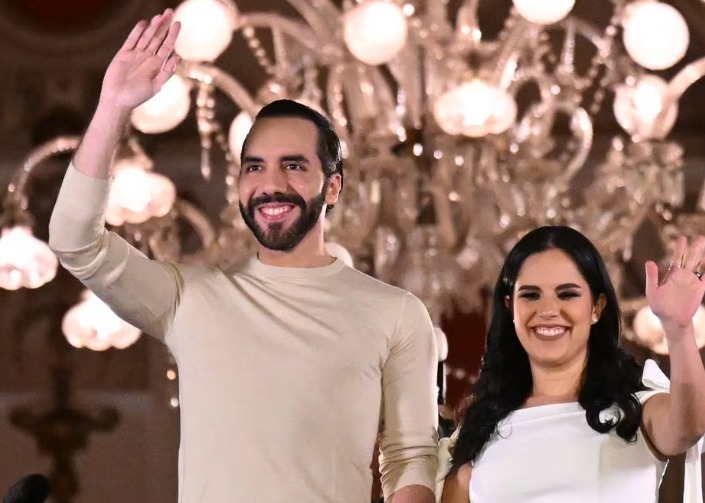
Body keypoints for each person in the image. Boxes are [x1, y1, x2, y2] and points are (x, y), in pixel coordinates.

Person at [48, 10, 438, 503]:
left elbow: (410, 458)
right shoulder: (188, 298)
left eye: (293, 166)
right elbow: (74, 240)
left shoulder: (396, 313)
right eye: (255, 167)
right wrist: (113, 107)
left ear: (333, 187)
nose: (271, 184)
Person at [440, 226, 705, 503]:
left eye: (567, 294)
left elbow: (689, 426)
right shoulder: (480, 428)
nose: (548, 310)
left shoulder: (635, 407)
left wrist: (678, 329)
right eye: (531, 295)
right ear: (510, 306)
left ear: (597, 307)